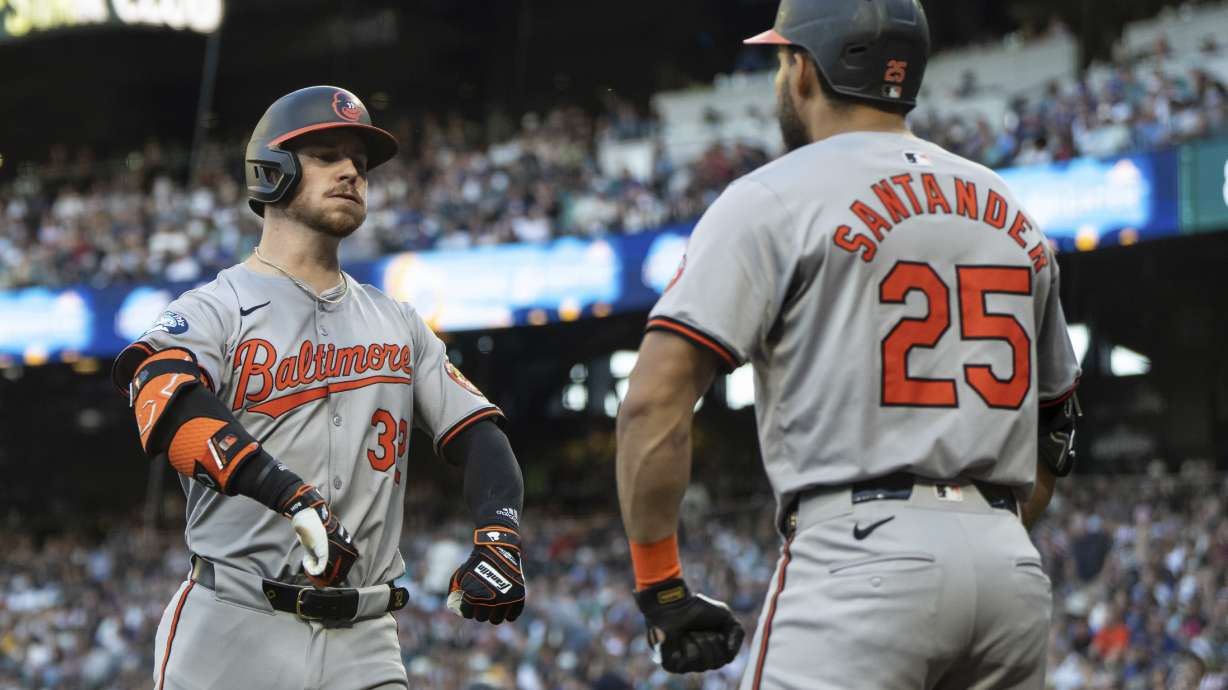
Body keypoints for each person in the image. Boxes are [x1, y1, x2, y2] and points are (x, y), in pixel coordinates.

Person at [615, 1, 1082, 688]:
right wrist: (978, 537)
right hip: (1009, 568)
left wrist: (661, 587)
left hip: (859, 557)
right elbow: (1057, 421)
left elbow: (652, 403)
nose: (780, 75)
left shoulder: (772, 196)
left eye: (781, 59)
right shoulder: (1010, 208)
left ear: (805, 69)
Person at [113, 86, 527, 690]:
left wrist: (500, 535)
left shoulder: (399, 322)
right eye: (327, 155)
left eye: (359, 162)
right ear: (271, 170)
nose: (351, 172)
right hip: (233, 627)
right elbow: (161, 401)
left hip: (367, 641)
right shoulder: (216, 308)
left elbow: (481, 434)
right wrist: (288, 495)